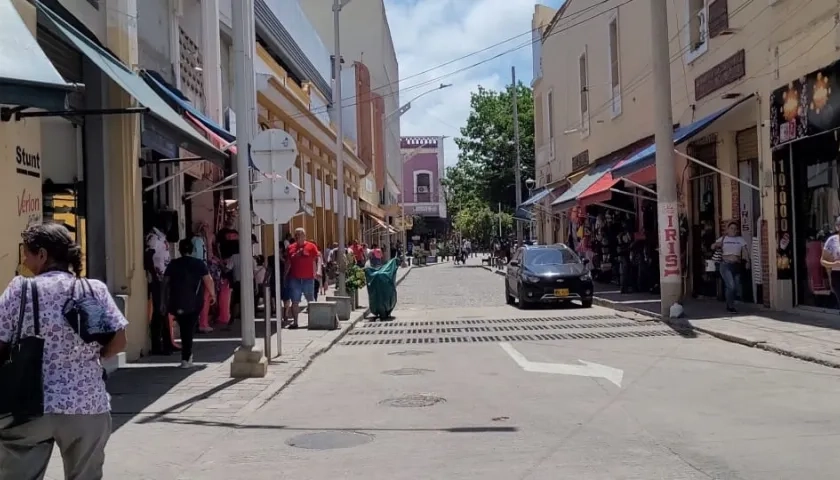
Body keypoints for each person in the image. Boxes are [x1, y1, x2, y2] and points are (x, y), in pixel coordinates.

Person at [0, 223, 128, 479]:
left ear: (43, 255)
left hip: (29, 408)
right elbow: (118, 341)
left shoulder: (20, 290)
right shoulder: (91, 289)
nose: (24, 259)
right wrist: (97, 356)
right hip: (86, 406)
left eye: (27, 253)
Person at [163, 240, 216, 368]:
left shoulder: (173, 264)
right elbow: (208, 280)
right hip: (194, 302)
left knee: (184, 328)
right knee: (188, 329)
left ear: (179, 250)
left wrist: (165, 299)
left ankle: (186, 356)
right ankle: (186, 358)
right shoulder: (199, 264)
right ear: (192, 250)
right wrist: (212, 294)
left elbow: (165, 282)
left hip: (177, 301)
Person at [145, 216, 178, 355]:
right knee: (159, 311)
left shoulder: (162, 237)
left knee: (165, 311)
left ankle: (167, 342)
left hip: (165, 278)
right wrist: (155, 276)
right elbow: (148, 258)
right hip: (158, 279)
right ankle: (157, 345)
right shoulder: (153, 238)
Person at [284, 228, 319, 329]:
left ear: (305, 236)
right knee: (295, 301)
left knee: (310, 300)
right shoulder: (290, 248)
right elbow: (288, 263)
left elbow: (317, 258)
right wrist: (284, 276)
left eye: (301, 234)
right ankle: (295, 322)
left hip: (308, 278)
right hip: (294, 279)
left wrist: (317, 272)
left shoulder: (311, 246)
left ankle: (313, 321)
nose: (298, 236)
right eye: (296, 234)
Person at [712, 221, 750, 313]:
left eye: (735, 228)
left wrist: (748, 261)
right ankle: (730, 306)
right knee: (731, 285)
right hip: (725, 265)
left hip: (736, 265)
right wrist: (717, 245)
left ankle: (730, 302)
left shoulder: (740, 239)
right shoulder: (723, 238)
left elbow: (745, 250)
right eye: (731, 228)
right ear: (727, 230)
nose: (733, 230)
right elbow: (712, 246)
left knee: (736, 286)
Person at [821, 216, 840, 308]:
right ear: (837, 227)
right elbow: (823, 261)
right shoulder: (832, 241)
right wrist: (834, 264)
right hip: (837, 275)